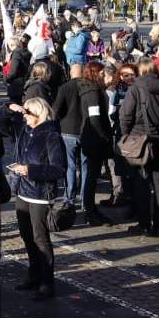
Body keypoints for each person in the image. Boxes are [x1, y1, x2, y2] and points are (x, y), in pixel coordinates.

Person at [0, 100, 67, 300]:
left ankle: (47, 281)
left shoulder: (51, 135)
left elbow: (59, 168)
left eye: (28, 112)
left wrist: (31, 170)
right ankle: (34, 275)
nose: (25, 116)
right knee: (27, 237)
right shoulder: (24, 130)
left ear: (39, 113)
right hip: (23, 192)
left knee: (40, 239)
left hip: (39, 194)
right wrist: (9, 107)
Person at [52, 62, 111, 225]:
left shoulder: (65, 87)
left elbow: (56, 110)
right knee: (86, 168)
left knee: (70, 166)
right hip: (85, 132)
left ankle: (69, 198)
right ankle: (86, 201)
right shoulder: (90, 88)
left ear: (71, 73)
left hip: (68, 130)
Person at [119, 59, 159, 236]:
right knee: (158, 180)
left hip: (139, 137)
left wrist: (125, 134)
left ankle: (144, 223)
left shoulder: (136, 87)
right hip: (158, 137)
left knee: (141, 181)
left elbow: (126, 114)